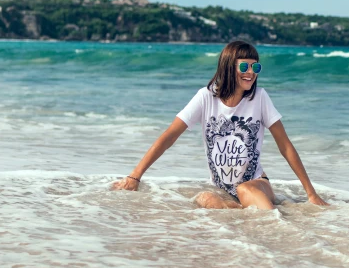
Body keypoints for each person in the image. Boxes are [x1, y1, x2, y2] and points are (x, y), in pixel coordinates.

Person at [112, 40, 328, 209]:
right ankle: (241, 211)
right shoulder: (205, 98)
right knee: (205, 199)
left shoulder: (260, 98)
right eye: (244, 66)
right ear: (228, 67)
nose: (251, 72)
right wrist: (134, 177)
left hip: (256, 183)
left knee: (245, 189)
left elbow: (285, 146)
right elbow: (169, 136)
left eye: (256, 67)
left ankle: (273, 224)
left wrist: (311, 193)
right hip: (223, 189)